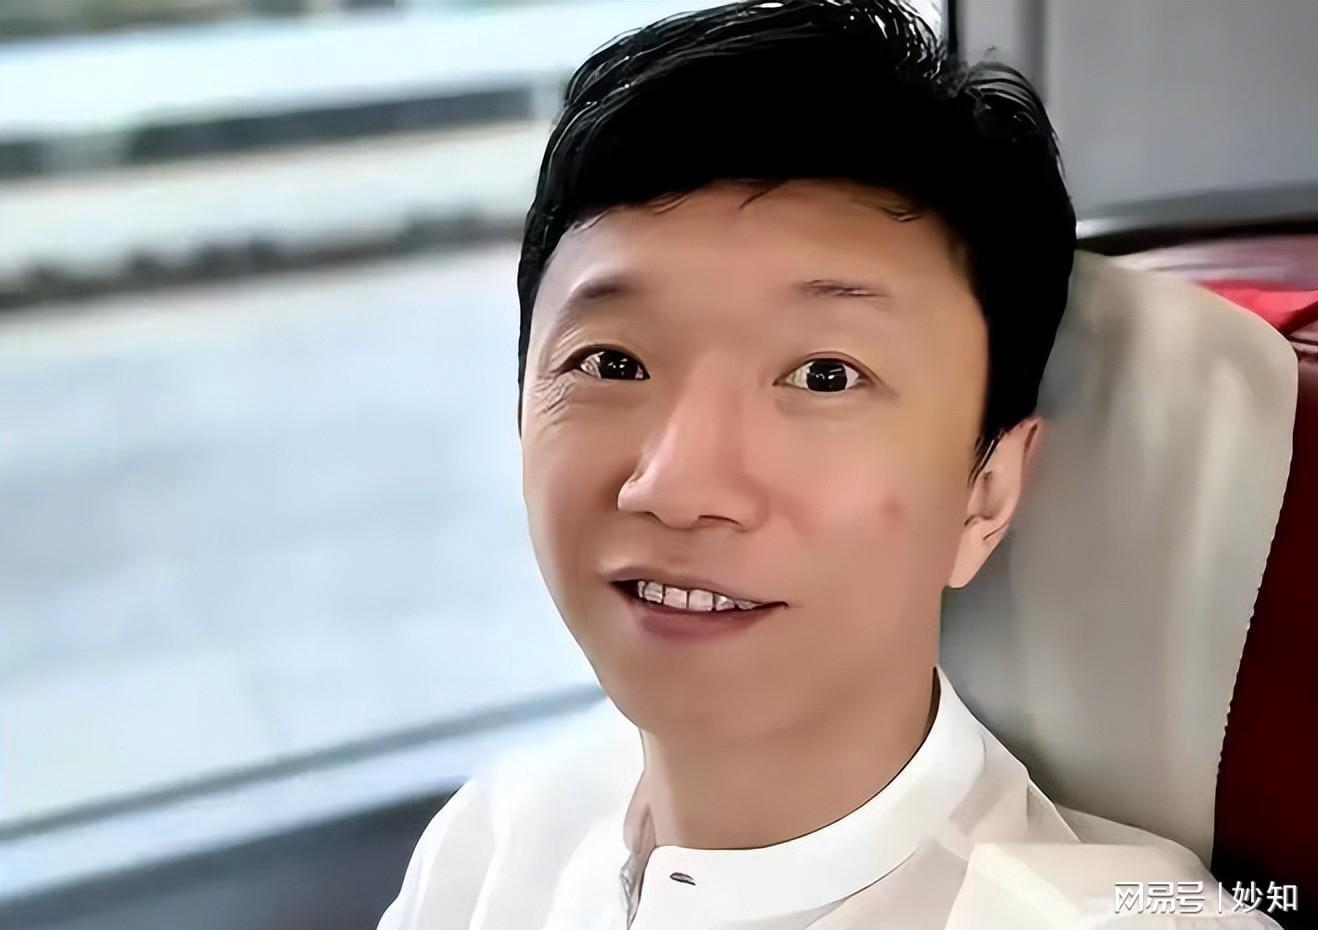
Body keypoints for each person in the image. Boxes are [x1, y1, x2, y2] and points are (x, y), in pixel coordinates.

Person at [378, 1, 1283, 927]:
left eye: (824, 375)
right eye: (612, 363)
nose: (676, 487)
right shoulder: (490, 847)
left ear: (986, 493)